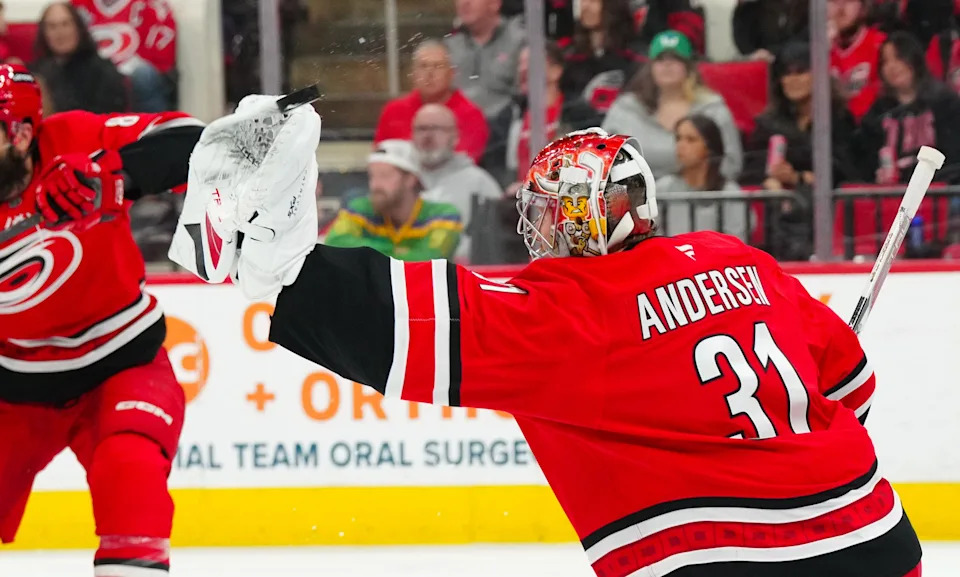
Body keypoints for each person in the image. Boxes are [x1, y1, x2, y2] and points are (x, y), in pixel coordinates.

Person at [171, 121, 923, 577]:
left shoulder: (578, 311)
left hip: (733, 562)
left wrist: (278, 269)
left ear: (607, 214)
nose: (545, 230)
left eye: (559, 211)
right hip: (880, 535)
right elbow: (850, 385)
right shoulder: (738, 256)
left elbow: (415, 323)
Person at [0, 64, 205, 576]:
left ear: (21, 133)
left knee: (129, 474)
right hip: (13, 390)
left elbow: (198, 142)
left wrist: (115, 173)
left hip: (123, 363)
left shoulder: (71, 136)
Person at [741, 42, 857, 261]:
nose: (792, 79)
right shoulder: (768, 124)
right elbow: (749, 169)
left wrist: (797, 177)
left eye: (800, 72)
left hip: (825, 220)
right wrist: (769, 182)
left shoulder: (839, 119)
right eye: (786, 73)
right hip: (776, 221)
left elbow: (848, 170)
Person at [602, 30, 742, 180]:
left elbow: (732, 164)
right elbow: (601, 158)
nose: (667, 64)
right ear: (651, 67)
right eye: (660, 59)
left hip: (697, 199)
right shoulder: (625, 109)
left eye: (676, 59)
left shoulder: (713, 110)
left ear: (689, 67)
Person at [324, 139, 463, 260]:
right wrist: (396, 251)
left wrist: (366, 254)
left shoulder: (443, 216)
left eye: (385, 176)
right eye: (372, 176)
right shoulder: (359, 209)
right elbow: (334, 243)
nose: (375, 185)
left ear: (410, 179)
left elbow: (431, 258)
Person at [854, 31, 960, 185]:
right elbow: (863, 159)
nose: (892, 67)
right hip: (888, 196)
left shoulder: (944, 103)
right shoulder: (878, 112)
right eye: (885, 62)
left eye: (898, 58)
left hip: (938, 193)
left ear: (914, 60)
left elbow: (954, 157)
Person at [374, 39, 489, 164]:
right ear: (413, 73)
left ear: (451, 73)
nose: (430, 73)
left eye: (438, 66)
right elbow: (380, 158)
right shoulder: (393, 110)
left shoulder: (471, 114)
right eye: (423, 66)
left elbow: (464, 162)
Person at [413, 103, 502, 262]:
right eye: (421, 129)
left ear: (455, 136)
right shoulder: (401, 180)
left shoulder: (479, 183)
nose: (428, 136)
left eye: (436, 128)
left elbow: (496, 243)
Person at [656, 114, 750, 241]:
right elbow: (653, 237)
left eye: (691, 140)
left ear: (710, 147)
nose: (681, 145)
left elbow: (736, 242)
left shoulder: (729, 193)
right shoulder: (663, 188)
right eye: (678, 138)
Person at [29, 2, 128, 114]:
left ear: (78, 28)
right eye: (52, 26)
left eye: (65, 24)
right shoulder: (36, 73)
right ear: (44, 33)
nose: (60, 33)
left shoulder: (103, 70)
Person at [444, 0, 526, 121]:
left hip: (506, 128)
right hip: (455, 128)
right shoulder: (448, 47)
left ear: (495, 3)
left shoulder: (521, 42)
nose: (464, 3)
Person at [560, 0, 643, 115]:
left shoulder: (633, 56)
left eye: (592, 1)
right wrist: (584, 99)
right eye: (582, 1)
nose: (585, 6)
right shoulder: (571, 56)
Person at [829, 0, 886, 122]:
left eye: (848, 1)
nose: (840, 9)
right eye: (833, 1)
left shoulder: (880, 45)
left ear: (864, 8)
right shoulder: (820, 50)